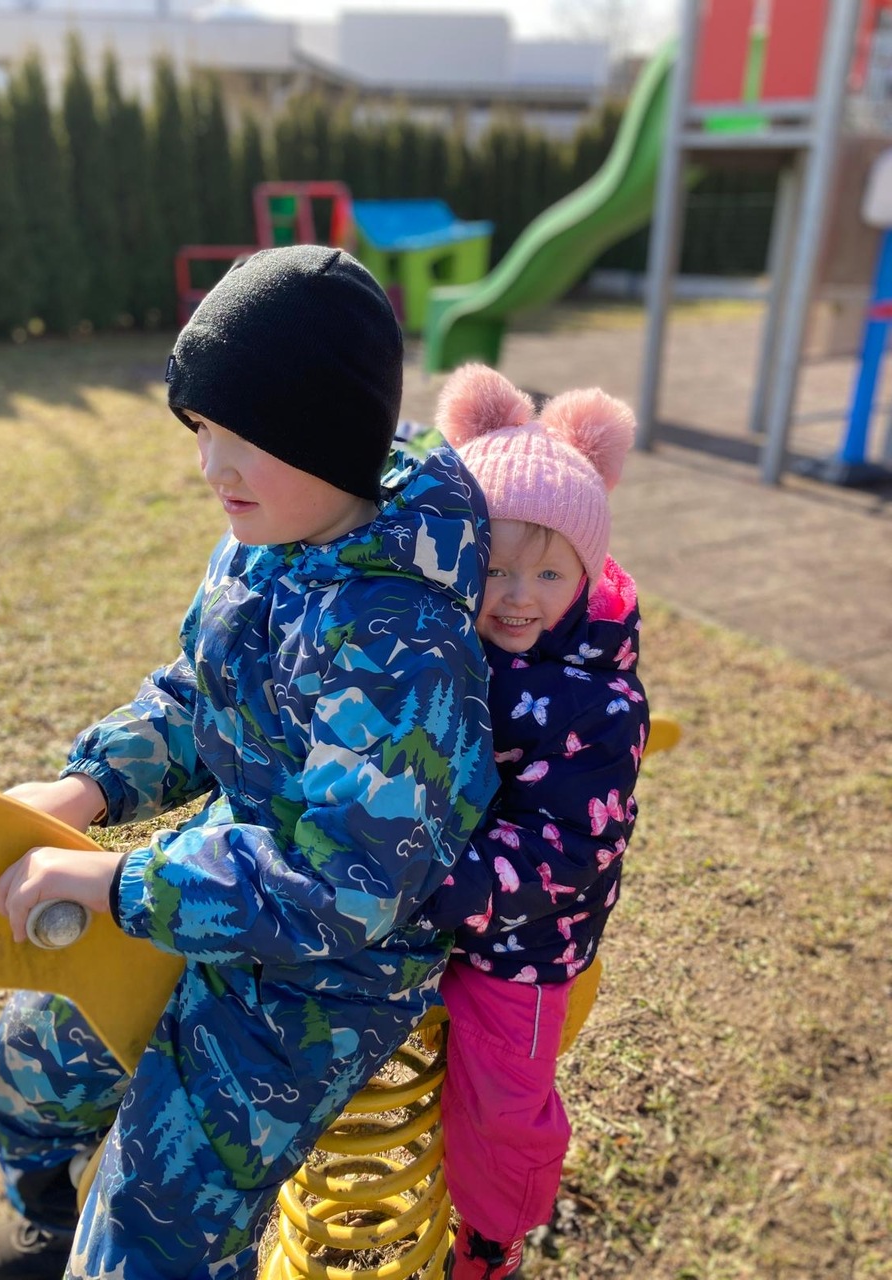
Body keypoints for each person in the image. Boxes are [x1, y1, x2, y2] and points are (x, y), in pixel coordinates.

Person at [0, 246, 498, 1280]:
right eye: (202, 429)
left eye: (245, 437)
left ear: (330, 436)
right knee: (33, 1057)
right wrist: (90, 785)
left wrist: (120, 883)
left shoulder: (401, 638)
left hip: (331, 968)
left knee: (158, 1214)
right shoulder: (266, 533)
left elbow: (344, 882)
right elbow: (199, 694)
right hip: (227, 868)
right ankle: (44, 1219)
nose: (214, 468)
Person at [420, 364, 650, 1280]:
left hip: (524, 944)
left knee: (501, 1105)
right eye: (494, 567)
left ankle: (495, 1235)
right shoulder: (438, 642)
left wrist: (442, 886)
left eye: (549, 573)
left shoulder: (597, 699)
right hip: (427, 911)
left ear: (586, 577)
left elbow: (571, 847)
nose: (518, 594)